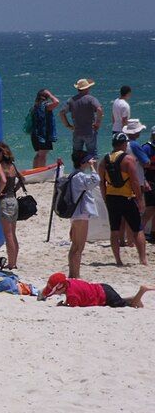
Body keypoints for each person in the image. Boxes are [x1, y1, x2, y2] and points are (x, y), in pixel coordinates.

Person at [98, 132, 147, 267]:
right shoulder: (128, 159)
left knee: (115, 230)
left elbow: (101, 182)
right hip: (126, 197)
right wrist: (140, 200)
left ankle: (118, 260)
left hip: (111, 198)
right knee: (137, 229)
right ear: (124, 144)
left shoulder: (104, 160)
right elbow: (135, 182)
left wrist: (105, 197)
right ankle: (143, 259)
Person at [65, 150, 101, 278]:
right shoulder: (80, 176)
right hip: (80, 214)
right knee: (78, 247)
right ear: (83, 162)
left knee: (75, 246)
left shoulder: (73, 175)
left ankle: (72, 274)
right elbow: (95, 180)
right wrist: (92, 166)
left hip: (76, 214)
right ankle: (75, 276)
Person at [38, 272, 155, 308]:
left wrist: (62, 305)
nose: (55, 294)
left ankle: (142, 291)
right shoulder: (71, 281)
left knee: (133, 306)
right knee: (122, 300)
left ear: (62, 287)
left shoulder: (71, 295)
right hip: (103, 287)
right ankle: (136, 297)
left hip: (105, 297)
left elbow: (74, 306)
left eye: (55, 291)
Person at [0, 141, 23, 269]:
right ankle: (14, 262)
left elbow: (3, 180)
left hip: (5, 201)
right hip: (14, 200)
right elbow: (22, 179)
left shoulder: (0, 166)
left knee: (8, 234)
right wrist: (14, 190)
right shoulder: (12, 165)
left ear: (0, 153)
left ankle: (11, 263)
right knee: (13, 233)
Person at [59, 78, 103, 154]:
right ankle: (93, 166)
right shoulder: (91, 99)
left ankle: (77, 166)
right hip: (89, 131)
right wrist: (98, 123)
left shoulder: (71, 100)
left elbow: (61, 113)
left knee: (76, 155)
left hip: (77, 131)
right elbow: (99, 109)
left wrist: (68, 125)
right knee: (92, 154)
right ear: (87, 88)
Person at [29, 89, 60, 168]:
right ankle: (40, 173)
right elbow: (56, 102)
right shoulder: (46, 106)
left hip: (35, 134)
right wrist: (50, 95)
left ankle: (35, 171)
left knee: (39, 154)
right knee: (42, 155)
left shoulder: (35, 107)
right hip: (43, 135)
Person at [142, 127, 155, 243]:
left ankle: (153, 234)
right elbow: (141, 165)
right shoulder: (146, 148)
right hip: (150, 182)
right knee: (150, 209)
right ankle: (139, 232)